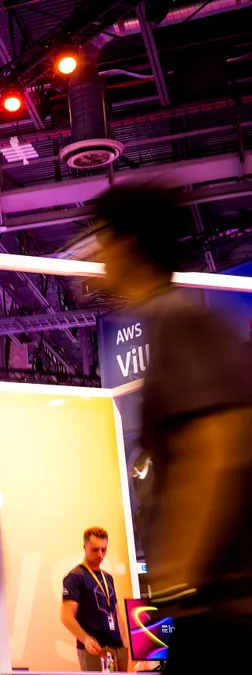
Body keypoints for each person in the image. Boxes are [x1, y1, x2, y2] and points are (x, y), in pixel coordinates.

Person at [94, 183, 252, 672]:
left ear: (128, 243)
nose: (98, 252)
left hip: (217, 602)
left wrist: (182, 579)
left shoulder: (175, 319)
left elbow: (219, 447)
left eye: (103, 237)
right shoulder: (175, 317)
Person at [62, 527, 128, 671]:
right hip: (94, 649)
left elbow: (116, 612)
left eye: (104, 550)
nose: (100, 555)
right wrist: (85, 639)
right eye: (95, 550)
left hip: (116, 647)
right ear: (85, 547)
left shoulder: (108, 577)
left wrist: (124, 643)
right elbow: (66, 616)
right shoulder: (75, 577)